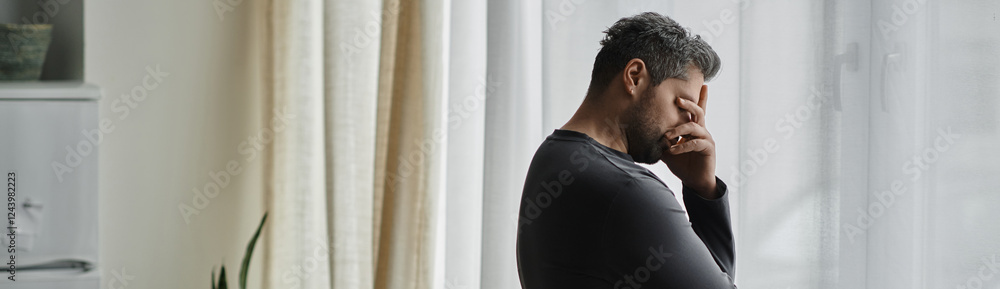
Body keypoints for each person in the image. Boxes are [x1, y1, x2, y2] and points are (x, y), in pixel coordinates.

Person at [515, 12, 735, 288]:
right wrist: (705, 194)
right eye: (682, 106)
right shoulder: (626, 189)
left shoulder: (551, 156)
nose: (688, 124)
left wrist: (701, 186)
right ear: (634, 77)